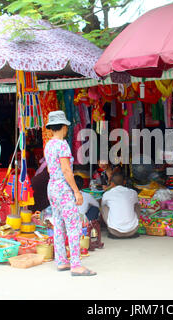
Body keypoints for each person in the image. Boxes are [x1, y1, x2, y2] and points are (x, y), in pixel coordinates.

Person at [44, 110, 96, 276]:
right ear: (64, 127)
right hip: (63, 188)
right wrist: (76, 191)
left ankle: (61, 261)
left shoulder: (49, 144)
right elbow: (66, 170)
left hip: (52, 186)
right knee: (73, 225)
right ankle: (76, 264)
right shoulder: (62, 144)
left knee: (59, 224)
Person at [100, 172, 141, 239]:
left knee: (104, 206)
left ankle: (111, 225)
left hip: (114, 231)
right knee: (136, 205)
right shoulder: (133, 192)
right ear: (124, 182)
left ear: (112, 183)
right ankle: (131, 223)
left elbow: (102, 205)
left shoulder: (107, 194)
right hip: (132, 230)